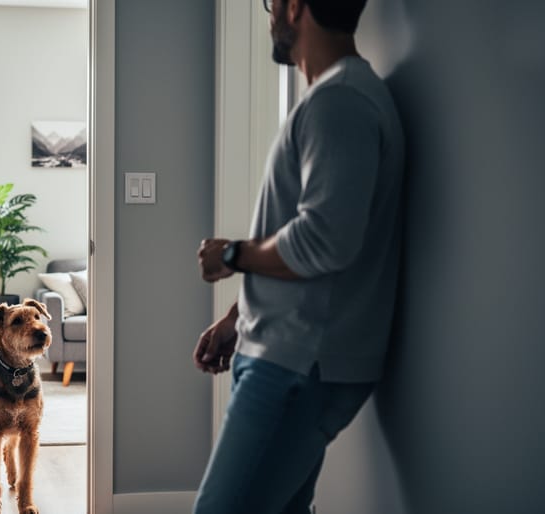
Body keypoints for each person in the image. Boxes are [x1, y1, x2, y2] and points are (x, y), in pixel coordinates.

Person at [192, 0, 404, 512]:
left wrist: (234, 255)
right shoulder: (334, 100)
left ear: (294, 7)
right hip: (290, 358)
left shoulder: (341, 103)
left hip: (295, 368)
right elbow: (302, 232)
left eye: (270, 5)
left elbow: (323, 241)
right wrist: (238, 317)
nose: (269, 17)